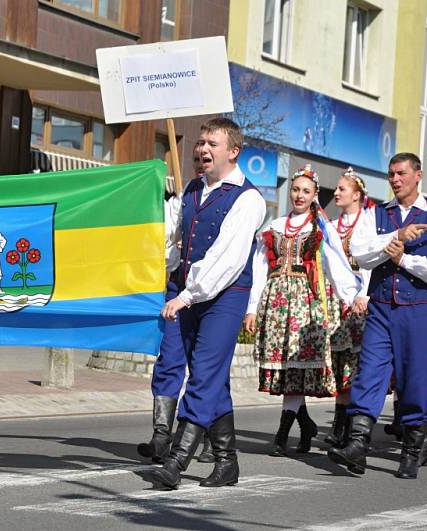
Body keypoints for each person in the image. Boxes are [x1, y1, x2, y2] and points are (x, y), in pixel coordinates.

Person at [328, 152, 427, 479]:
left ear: (418, 176)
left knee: (415, 377)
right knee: (369, 371)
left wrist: (405, 262)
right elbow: (360, 252)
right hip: (381, 307)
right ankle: (357, 444)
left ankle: (414, 449)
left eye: (401, 173)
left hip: (417, 310)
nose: (395, 180)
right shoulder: (377, 214)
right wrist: (396, 237)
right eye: (391, 174)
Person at [152, 118, 266, 489]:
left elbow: (227, 259)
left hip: (225, 296)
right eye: (200, 142)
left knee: (203, 375)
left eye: (211, 143)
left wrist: (186, 295)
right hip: (191, 293)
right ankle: (226, 461)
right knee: (215, 379)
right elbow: (173, 241)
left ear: (233, 151)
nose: (202, 149)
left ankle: (177, 460)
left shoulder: (249, 199)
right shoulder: (190, 191)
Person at [244, 165, 358, 457]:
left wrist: (350, 296)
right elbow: (260, 267)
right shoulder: (275, 226)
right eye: (295, 189)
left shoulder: (320, 228)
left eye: (306, 191)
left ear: (315, 195)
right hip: (276, 299)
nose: (299, 195)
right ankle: (305, 424)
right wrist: (252, 307)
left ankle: (281, 436)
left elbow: (334, 263)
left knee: (295, 367)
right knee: (285, 370)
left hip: (305, 303)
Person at [138, 143, 214, 464]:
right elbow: (162, 240)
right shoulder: (183, 199)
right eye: (195, 159)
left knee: (204, 368)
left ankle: (208, 434)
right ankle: (160, 436)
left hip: (208, 293)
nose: (200, 164)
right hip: (176, 288)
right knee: (169, 360)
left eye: (206, 159)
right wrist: (173, 239)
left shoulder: (228, 198)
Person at [326, 167, 372, 448]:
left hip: (361, 302)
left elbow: (370, 264)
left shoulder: (367, 223)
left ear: (357, 195)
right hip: (337, 302)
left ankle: (356, 428)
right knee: (341, 364)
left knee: (359, 365)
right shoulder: (331, 226)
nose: (337, 193)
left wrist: (364, 294)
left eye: (342, 189)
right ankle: (339, 427)